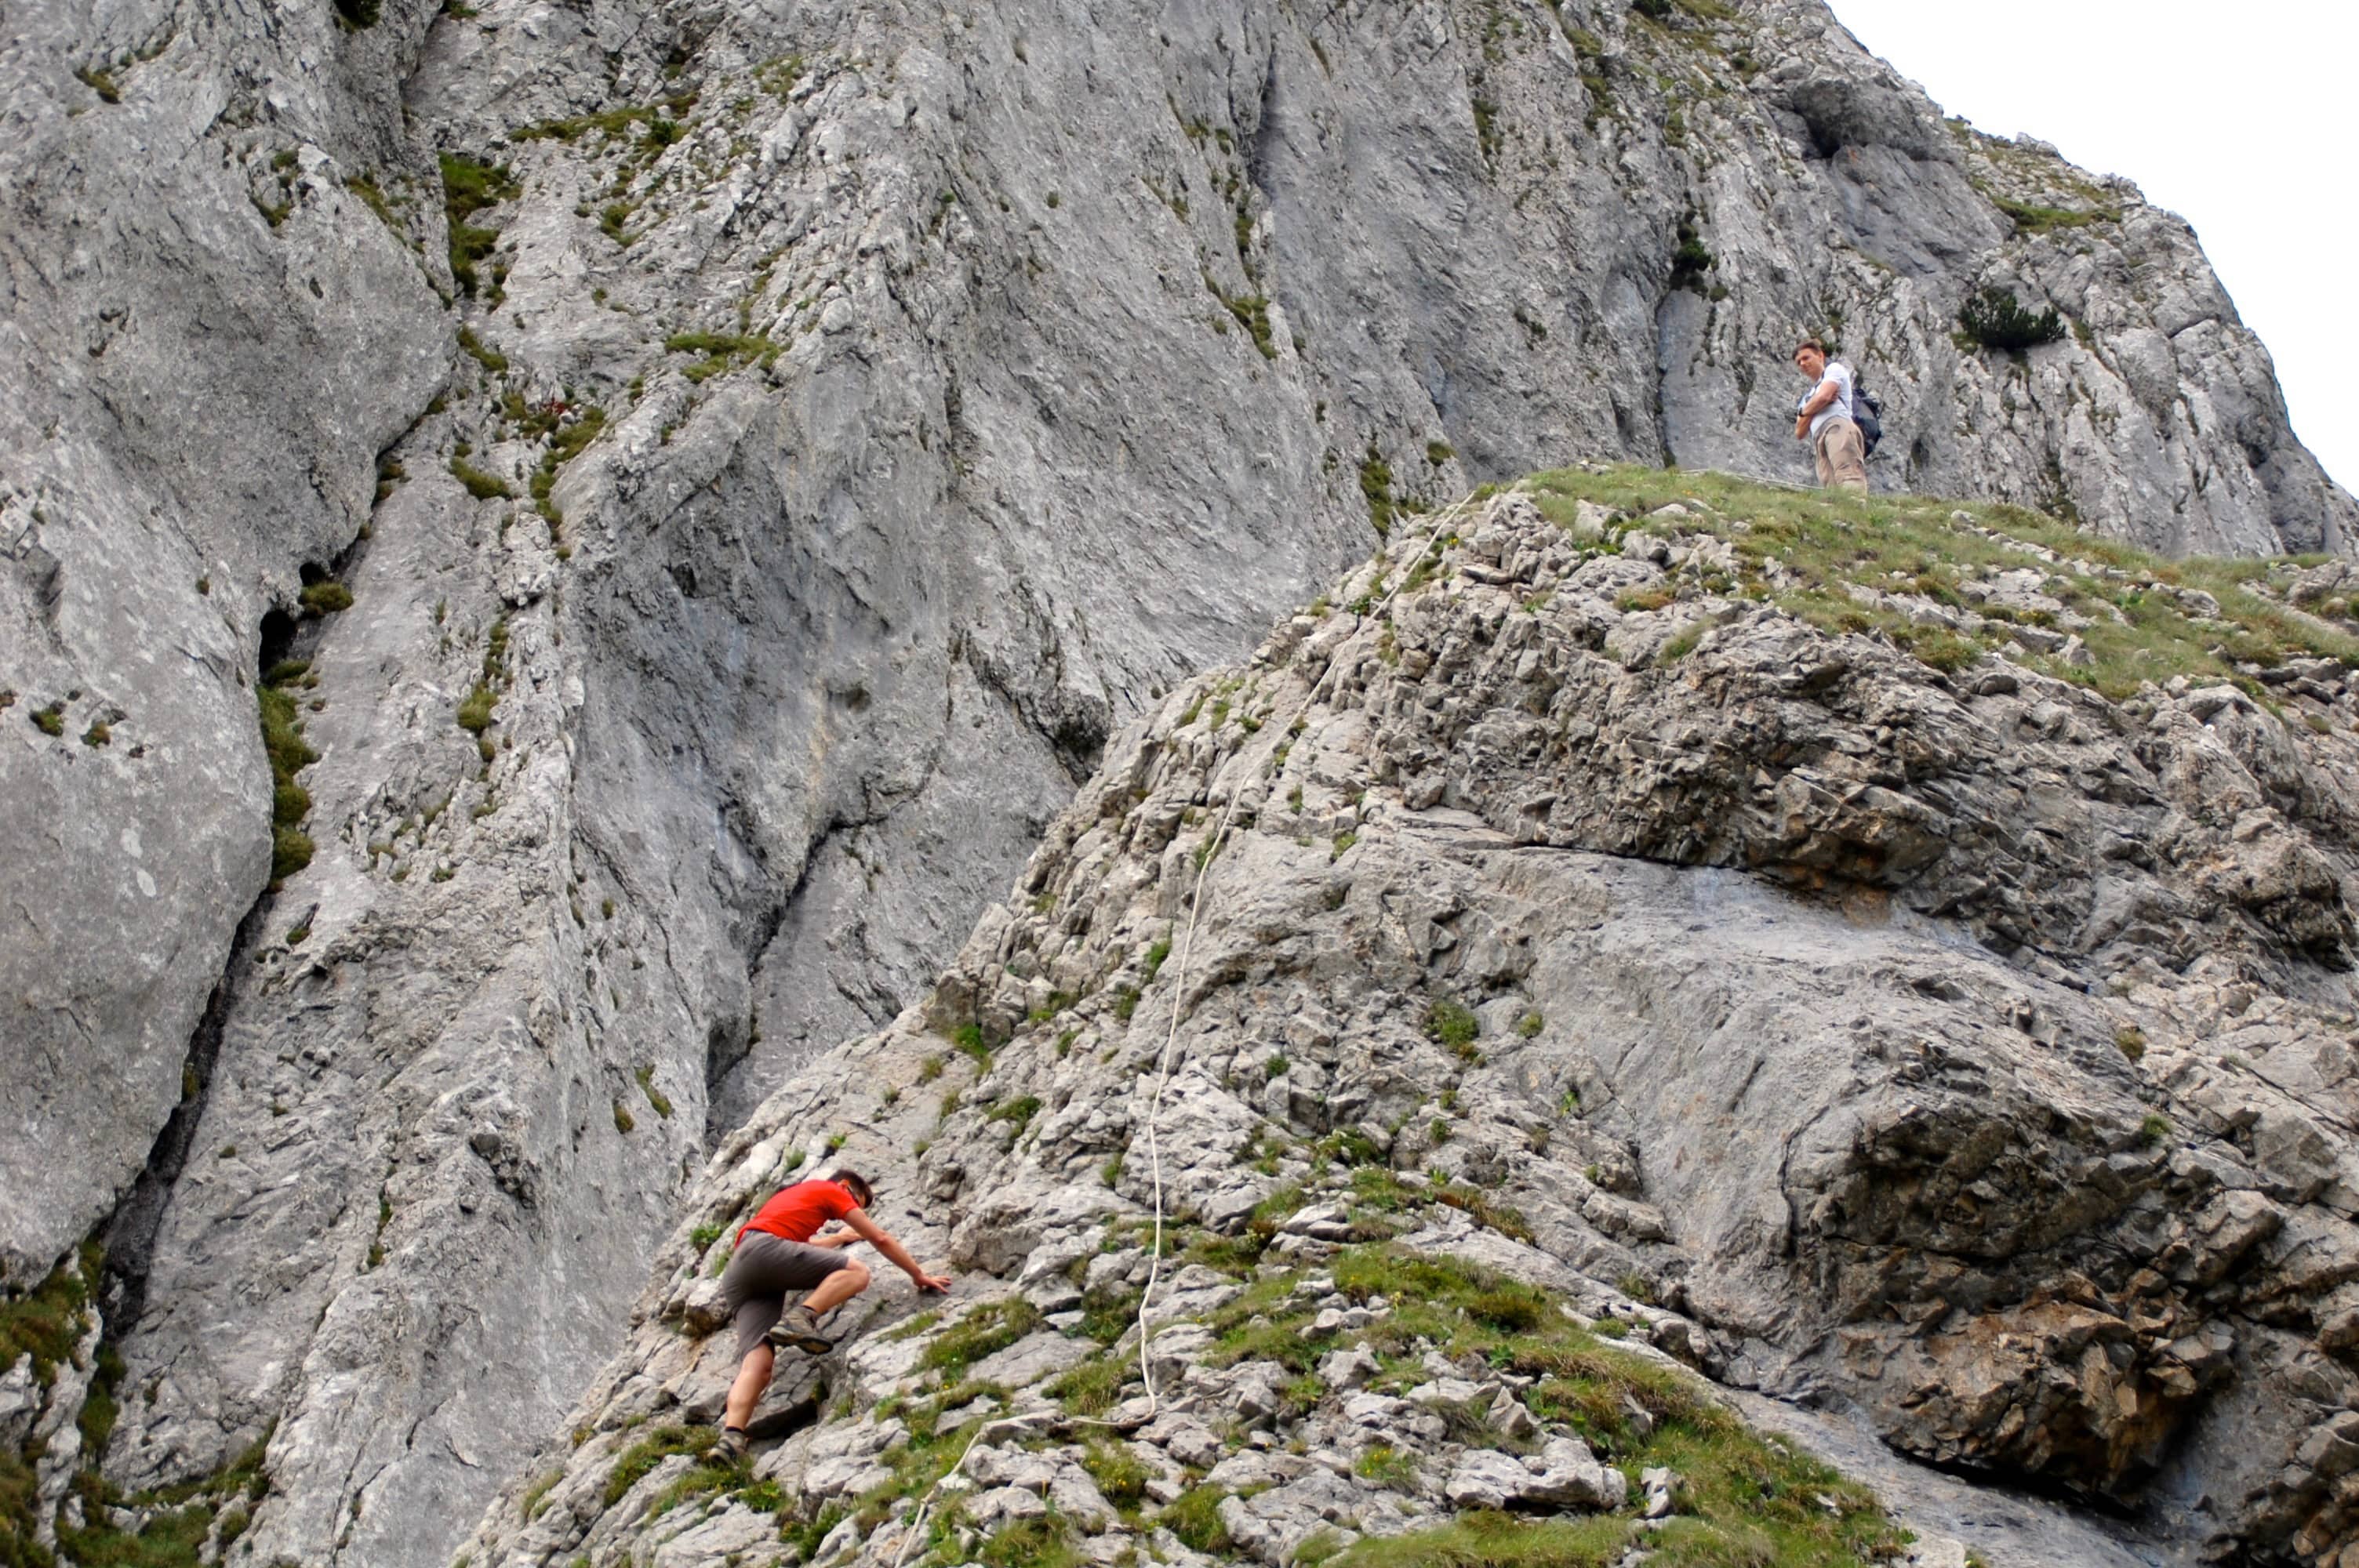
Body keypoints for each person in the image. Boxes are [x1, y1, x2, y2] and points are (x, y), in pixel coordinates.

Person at [716, 1167, 951, 1455]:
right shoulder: (829, 1190)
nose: (851, 1210)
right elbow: (880, 1239)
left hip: (741, 1272)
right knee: (857, 1272)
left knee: (758, 1366)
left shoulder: (795, 1199)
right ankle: (802, 1317)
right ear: (844, 1185)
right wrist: (917, 1274)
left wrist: (839, 1238)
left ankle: (731, 1437)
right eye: (854, 1203)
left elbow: (801, 1247)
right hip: (764, 1252)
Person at [1792, 337, 1869, 492]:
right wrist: (1812, 407)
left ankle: (1856, 509)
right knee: (1830, 487)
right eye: (1798, 362)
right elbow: (1799, 432)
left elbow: (1825, 396)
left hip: (1837, 427)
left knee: (1847, 473)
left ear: (1820, 356)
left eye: (1806, 358)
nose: (1802, 364)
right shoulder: (1807, 397)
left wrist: (1809, 409)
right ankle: (1839, 516)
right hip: (1818, 438)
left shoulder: (1833, 370)